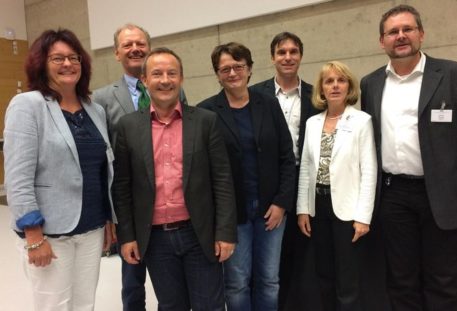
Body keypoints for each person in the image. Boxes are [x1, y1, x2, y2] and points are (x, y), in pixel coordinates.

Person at [360, 4, 457, 311]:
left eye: (407, 29)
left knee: (444, 283)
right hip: (393, 196)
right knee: (401, 282)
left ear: (421, 34)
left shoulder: (456, 75)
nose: (400, 36)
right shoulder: (370, 84)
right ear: (381, 41)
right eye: (393, 32)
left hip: (443, 195)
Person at [112, 47, 237, 311]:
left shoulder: (205, 121)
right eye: (157, 74)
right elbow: (122, 187)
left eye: (172, 73)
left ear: (181, 78)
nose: (165, 80)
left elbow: (222, 181)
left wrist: (225, 232)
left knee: (210, 306)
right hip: (156, 239)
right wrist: (127, 236)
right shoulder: (128, 127)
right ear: (144, 80)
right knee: (170, 306)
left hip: (199, 233)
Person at [4, 29, 116, 311]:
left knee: (84, 304)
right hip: (50, 232)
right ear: (41, 63)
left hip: (91, 227)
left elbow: (101, 169)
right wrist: (32, 234)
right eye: (57, 58)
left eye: (73, 57)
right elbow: (18, 176)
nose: (68, 64)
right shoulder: (27, 105)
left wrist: (107, 218)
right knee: (55, 306)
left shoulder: (94, 109)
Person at [92, 24, 187, 311]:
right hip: (128, 202)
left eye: (141, 44)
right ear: (117, 52)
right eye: (128, 44)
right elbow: (100, 157)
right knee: (132, 275)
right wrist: (109, 212)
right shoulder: (102, 98)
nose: (135, 49)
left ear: (149, 48)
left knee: (170, 277)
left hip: (168, 200)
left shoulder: (174, 90)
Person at [198, 42, 296, 311]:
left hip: (271, 212)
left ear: (249, 69)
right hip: (233, 216)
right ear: (217, 74)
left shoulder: (268, 103)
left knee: (269, 280)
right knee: (237, 282)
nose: (232, 73)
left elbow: (287, 157)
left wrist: (281, 203)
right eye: (225, 68)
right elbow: (204, 172)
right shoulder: (206, 113)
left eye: (238, 66)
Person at [297, 61, 376, 311]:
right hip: (318, 207)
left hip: (348, 210)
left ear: (349, 86)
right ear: (321, 88)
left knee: (348, 278)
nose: (334, 86)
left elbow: (369, 170)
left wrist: (363, 217)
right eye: (328, 81)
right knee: (324, 273)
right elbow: (306, 168)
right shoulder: (312, 123)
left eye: (340, 80)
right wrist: (302, 209)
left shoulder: (362, 121)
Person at [250, 32, 320, 311]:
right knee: (269, 262)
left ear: (301, 56)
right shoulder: (255, 95)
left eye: (293, 51)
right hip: (269, 186)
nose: (288, 57)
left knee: (302, 256)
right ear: (272, 57)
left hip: (307, 183)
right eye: (281, 52)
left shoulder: (317, 96)